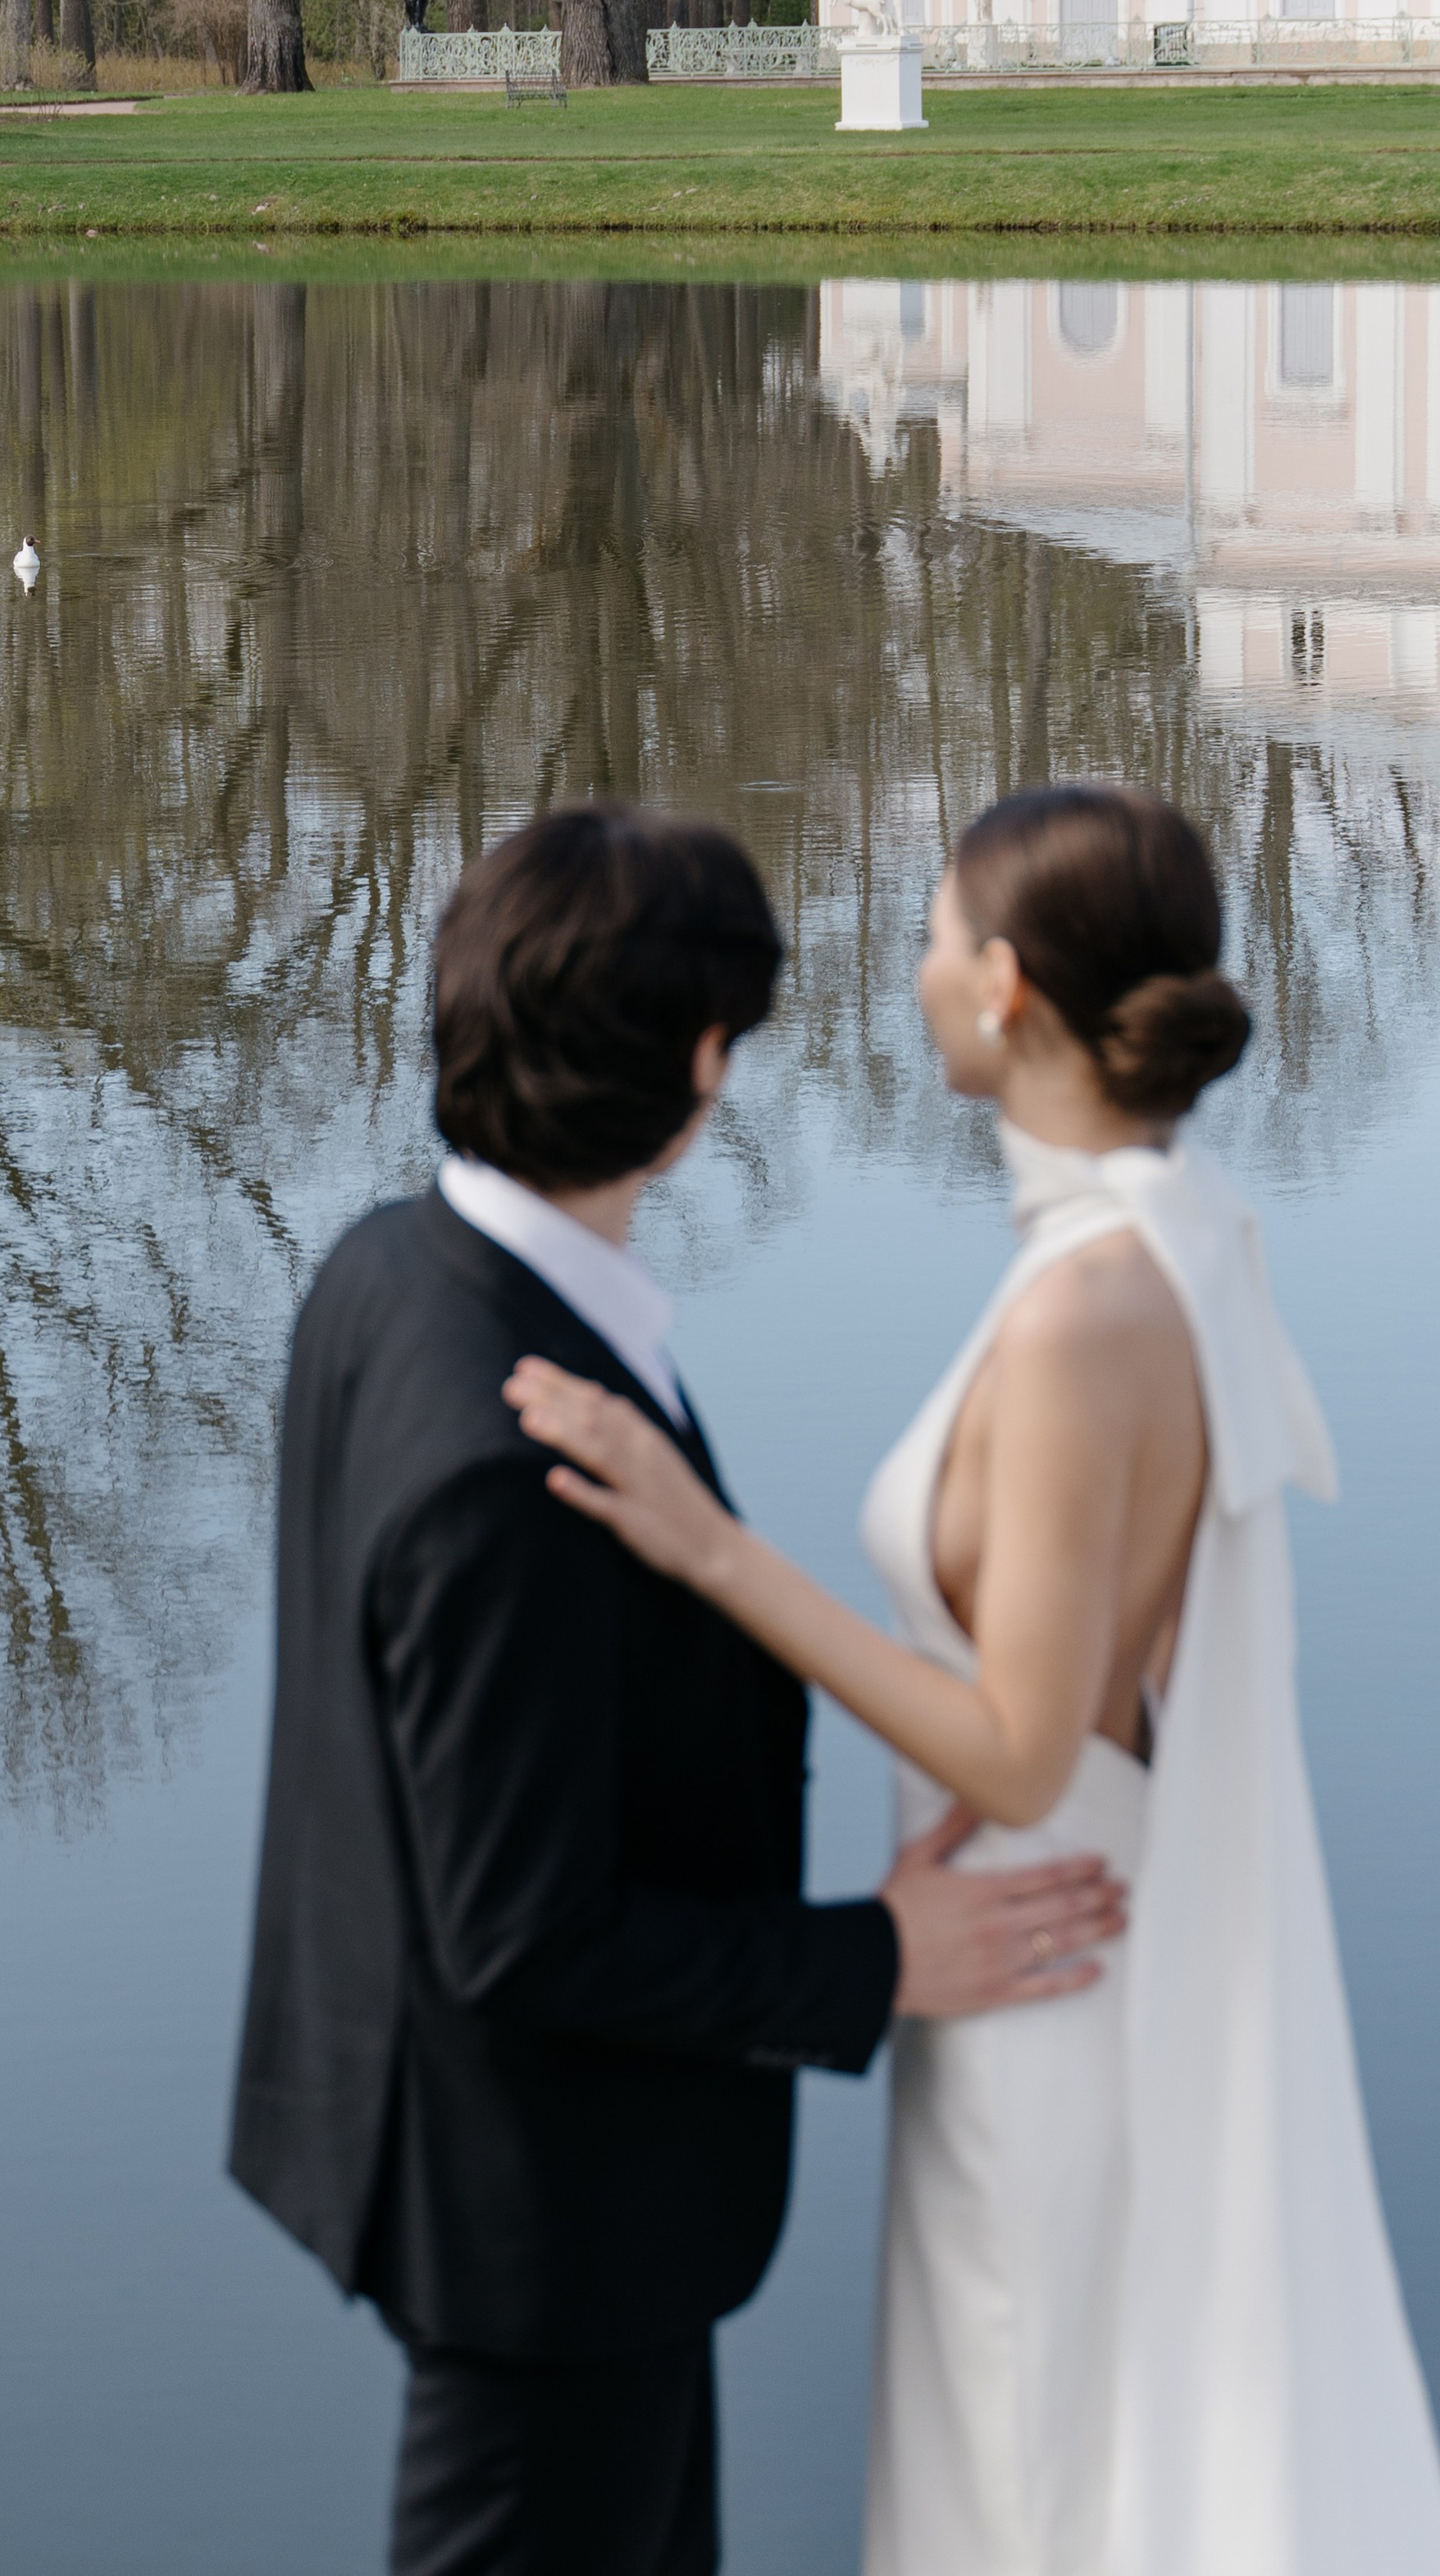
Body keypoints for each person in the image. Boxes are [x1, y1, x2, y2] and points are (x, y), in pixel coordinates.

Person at [506, 783, 1440, 2576]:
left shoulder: (1092, 1313)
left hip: (1043, 1982)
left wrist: (710, 1550)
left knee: (1024, 2493)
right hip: (1041, 1955)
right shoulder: (1155, 1248)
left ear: (1002, 986)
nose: (913, 967)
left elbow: (1021, 1751)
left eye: (932, 935)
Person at [229, 803, 1128, 2576]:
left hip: (470, 2156)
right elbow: (524, 1936)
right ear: (699, 1070)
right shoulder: (517, 1461)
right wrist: (868, 1961)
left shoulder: (385, 1271)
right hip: (540, 2220)